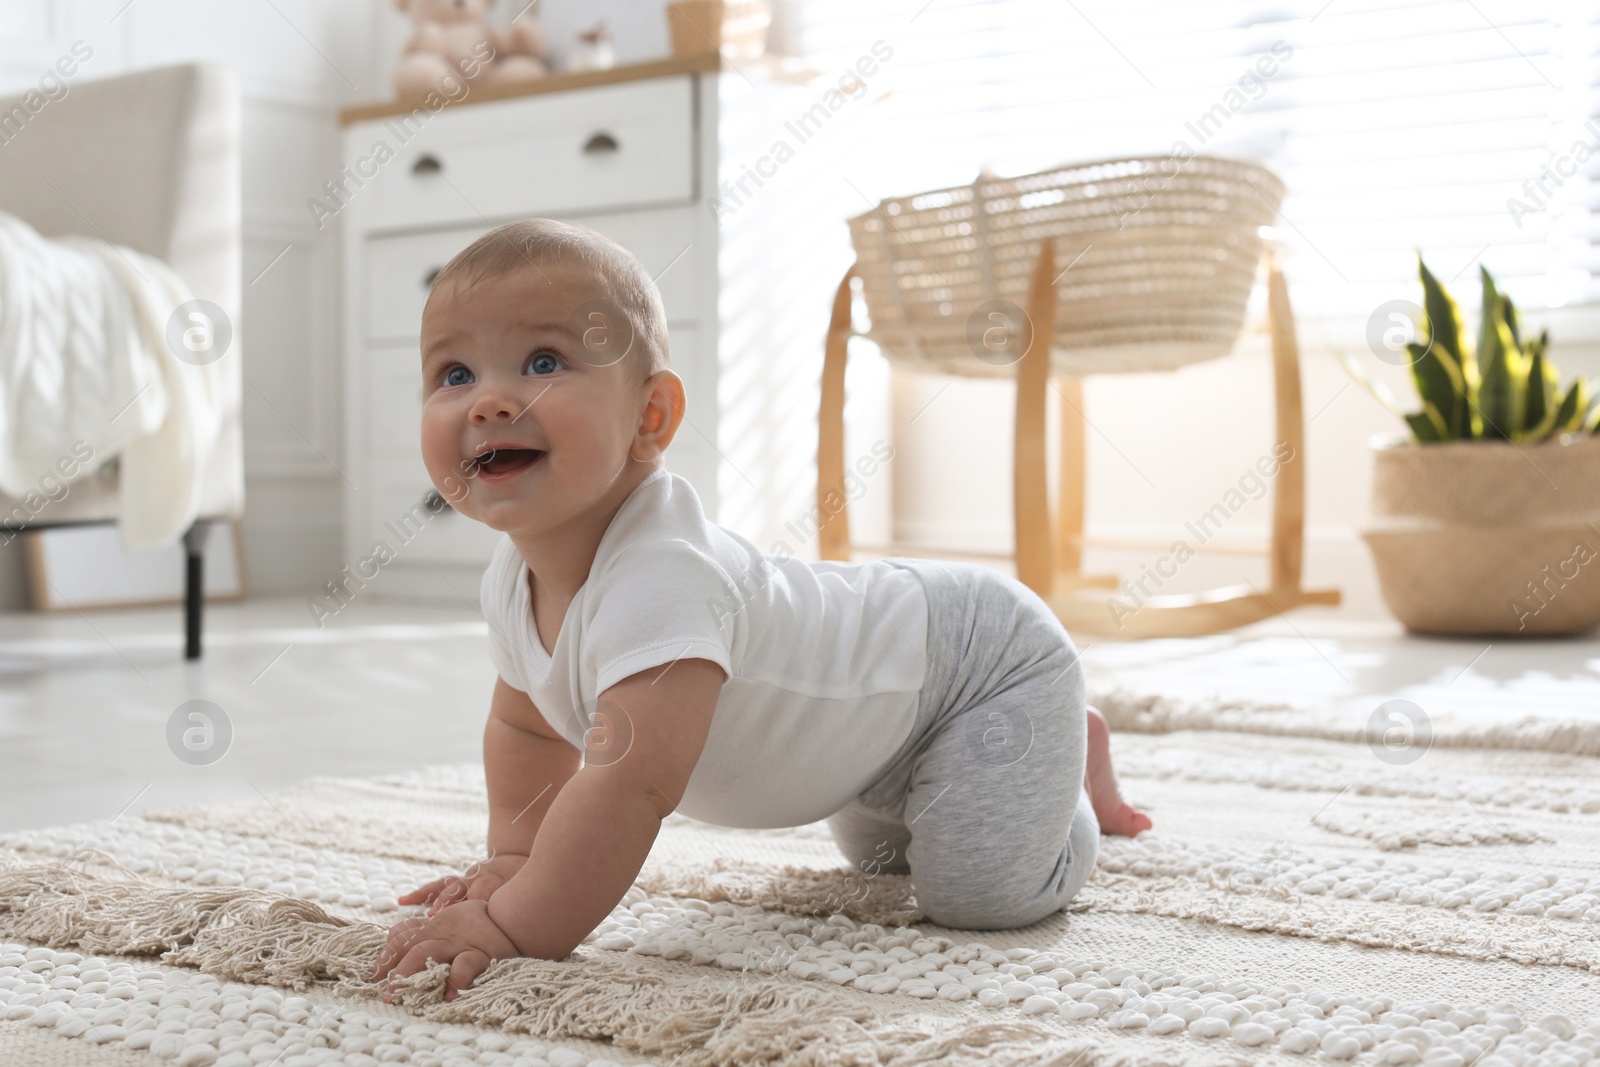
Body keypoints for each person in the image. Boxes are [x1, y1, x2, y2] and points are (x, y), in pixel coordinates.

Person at [372, 218, 1151, 1000]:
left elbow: (627, 787)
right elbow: (528, 728)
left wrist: (513, 924)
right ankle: (1031, 757)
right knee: (882, 861)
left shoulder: (664, 575)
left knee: (977, 894)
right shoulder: (513, 580)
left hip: (981, 664)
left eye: (544, 362)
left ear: (651, 419)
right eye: (454, 374)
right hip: (873, 735)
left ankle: (1061, 776)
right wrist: (513, 863)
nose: (491, 401)